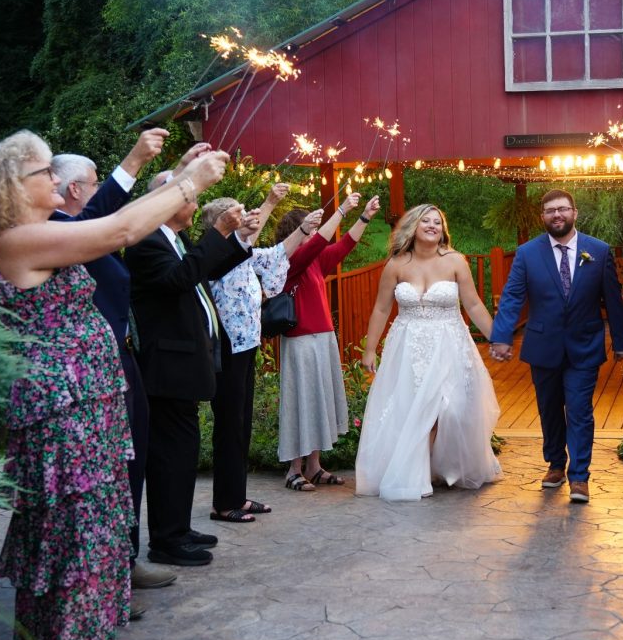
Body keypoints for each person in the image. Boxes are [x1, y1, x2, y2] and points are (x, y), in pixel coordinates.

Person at [0, 129, 226, 640]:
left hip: (83, 405)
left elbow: (118, 217)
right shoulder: (19, 241)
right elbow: (122, 228)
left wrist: (176, 173)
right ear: (17, 186)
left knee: (76, 529)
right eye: (44, 173)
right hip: (64, 409)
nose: (56, 180)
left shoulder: (44, 231)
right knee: (75, 531)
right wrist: (188, 185)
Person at [50, 130, 190, 594]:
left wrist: (183, 176)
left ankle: (124, 561)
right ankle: (110, 576)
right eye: (92, 182)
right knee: (110, 470)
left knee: (130, 463)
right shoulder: (60, 231)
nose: (95, 190)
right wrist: (132, 160)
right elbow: (117, 220)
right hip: (89, 367)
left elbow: (124, 215)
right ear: (75, 189)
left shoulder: (82, 229)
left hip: (120, 355)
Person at [126, 173, 261, 568]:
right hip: (166, 364)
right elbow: (181, 278)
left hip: (184, 361)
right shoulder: (147, 243)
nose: (196, 206)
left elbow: (204, 271)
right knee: (170, 456)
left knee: (183, 453)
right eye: (189, 198)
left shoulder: (173, 239)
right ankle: (166, 541)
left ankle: (178, 529)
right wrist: (217, 231)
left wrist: (235, 240)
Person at [489, 189, 623, 503]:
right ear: (543, 216)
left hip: (585, 344)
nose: (557, 215)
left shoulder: (599, 250)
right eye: (551, 210)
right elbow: (513, 296)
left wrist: (621, 340)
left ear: (574, 212)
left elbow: (613, 299)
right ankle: (555, 463)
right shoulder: (527, 253)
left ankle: (579, 477)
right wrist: (501, 335)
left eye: (563, 209)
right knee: (550, 409)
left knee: (580, 410)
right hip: (543, 345)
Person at [355, 204, 503, 500]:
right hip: (407, 345)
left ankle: (443, 464)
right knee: (411, 406)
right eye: (427, 221)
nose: (433, 225)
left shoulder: (455, 261)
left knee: (447, 408)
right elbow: (382, 308)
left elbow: (473, 304)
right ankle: (416, 472)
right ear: (413, 226)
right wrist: (370, 349)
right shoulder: (396, 264)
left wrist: (498, 339)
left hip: (448, 343)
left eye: (438, 221)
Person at [203, 186, 317, 522]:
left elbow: (279, 253)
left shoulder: (245, 256)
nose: (248, 221)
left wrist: (304, 229)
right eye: (238, 217)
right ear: (221, 225)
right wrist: (268, 203)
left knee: (242, 423)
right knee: (229, 424)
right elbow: (246, 236)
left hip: (246, 345)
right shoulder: (216, 257)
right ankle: (224, 503)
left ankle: (236, 495)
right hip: (226, 346)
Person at [276, 192, 382, 491]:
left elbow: (344, 246)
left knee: (318, 400)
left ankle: (314, 466)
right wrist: (342, 210)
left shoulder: (314, 261)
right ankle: (294, 469)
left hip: (323, 339)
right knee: (301, 402)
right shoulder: (289, 261)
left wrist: (364, 217)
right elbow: (322, 242)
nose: (315, 234)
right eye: (309, 229)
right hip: (300, 341)